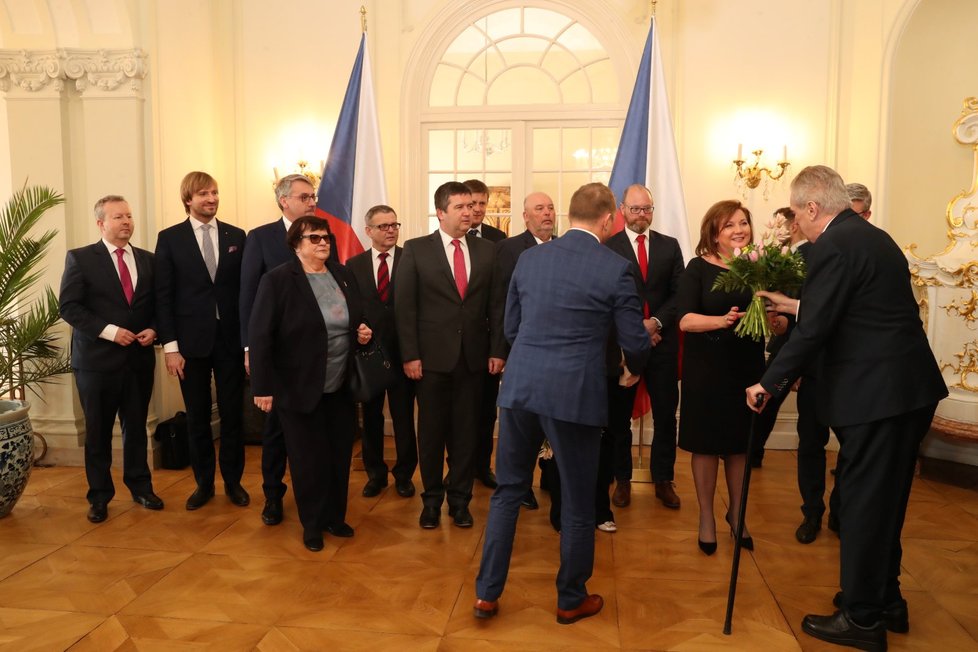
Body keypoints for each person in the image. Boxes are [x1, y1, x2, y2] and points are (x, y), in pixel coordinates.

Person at [747, 165, 947, 651]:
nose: (795, 223)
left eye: (796, 214)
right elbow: (846, 310)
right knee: (886, 505)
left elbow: (817, 329)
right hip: (907, 392)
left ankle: (860, 619)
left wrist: (767, 383)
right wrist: (793, 305)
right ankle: (886, 601)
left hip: (876, 397)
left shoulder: (833, 245)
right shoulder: (873, 237)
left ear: (813, 208)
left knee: (860, 507)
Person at [474, 182, 650, 625]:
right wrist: (637, 363)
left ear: (571, 215)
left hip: (520, 389)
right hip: (574, 394)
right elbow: (633, 339)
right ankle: (571, 597)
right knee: (576, 499)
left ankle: (486, 594)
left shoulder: (530, 258)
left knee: (508, 492)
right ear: (609, 220)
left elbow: (511, 328)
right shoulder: (615, 267)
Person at [249, 216, 372, 552]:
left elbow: (356, 317)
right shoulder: (278, 281)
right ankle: (313, 524)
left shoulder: (342, 275)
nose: (323, 243)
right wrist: (262, 387)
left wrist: (361, 331)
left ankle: (335, 517)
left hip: (340, 386)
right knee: (307, 460)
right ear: (296, 244)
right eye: (314, 238)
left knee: (338, 455)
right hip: (298, 387)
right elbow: (260, 337)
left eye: (326, 237)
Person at [396, 181, 506, 530]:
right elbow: (404, 307)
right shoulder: (416, 249)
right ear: (441, 212)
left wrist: (497, 350)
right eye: (460, 207)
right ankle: (431, 501)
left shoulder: (488, 250)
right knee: (430, 434)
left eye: (471, 206)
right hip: (430, 361)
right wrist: (410, 355)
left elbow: (497, 306)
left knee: (466, 434)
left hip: (474, 360)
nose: (469, 212)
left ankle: (460, 501)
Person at [59, 195, 162, 523]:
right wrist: (108, 331)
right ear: (101, 223)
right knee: (98, 431)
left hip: (138, 360)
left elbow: (160, 305)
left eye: (129, 216)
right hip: (96, 362)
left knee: (136, 427)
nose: (126, 222)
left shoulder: (149, 260)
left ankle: (140, 486)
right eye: (118, 217)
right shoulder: (80, 258)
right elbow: (69, 307)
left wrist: (154, 329)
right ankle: (100, 496)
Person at [155, 171, 249, 511]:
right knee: (196, 417)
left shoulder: (237, 235)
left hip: (231, 342)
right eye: (204, 194)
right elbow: (163, 298)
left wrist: (249, 342)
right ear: (188, 199)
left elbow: (245, 291)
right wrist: (170, 348)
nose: (211, 199)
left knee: (233, 416)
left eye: (214, 192)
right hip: (189, 346)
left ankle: (234, 483)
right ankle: (204, 484)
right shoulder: (170, 239)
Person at [677, 200, 765, 556]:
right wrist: (721, 321)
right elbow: (684, 320)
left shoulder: (757, 269)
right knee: (707, 446)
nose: (739, 229)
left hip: (746, 369)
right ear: (713, 232)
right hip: (706, 369)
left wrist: (776, 321)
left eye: (743, 223)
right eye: (729, 225)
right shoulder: (696, 268)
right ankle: (707, 519)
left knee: (738, 446)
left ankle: (737, 514)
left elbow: (769, 314)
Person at [239, 173, 317, 527]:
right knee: (273, 431)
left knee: (310, 433)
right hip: (275, 353)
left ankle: (312, 497)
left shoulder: (320, 233)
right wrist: (249, 348)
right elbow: (248, 298)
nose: (311, 202)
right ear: (284, 200)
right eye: (304, 196)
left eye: (313, 196)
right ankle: (273, 496)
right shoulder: (260, 238)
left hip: (313, 356)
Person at [605, 184, 684, 510]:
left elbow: (680, 294)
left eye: (647, 209)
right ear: (622, 210)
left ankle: (663, 479)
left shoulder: (669, 245)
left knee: (666, 416)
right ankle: (622, 480)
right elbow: (607, 297)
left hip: (663, 345)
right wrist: (636, 329)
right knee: (618, 417)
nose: (642, 215)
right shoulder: (608, 247)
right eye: (636, 209)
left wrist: (656, 324)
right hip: (624, 347)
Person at [346, 205, 418, 499]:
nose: (391, 230)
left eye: (394, 225)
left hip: (405, 351)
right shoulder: (353, 264)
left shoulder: (411, 259)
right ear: (369, 231)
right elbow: (351, 305)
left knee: (403, 417)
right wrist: (359, 330)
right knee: (372, 417)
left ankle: (404, 474)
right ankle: (375, 474)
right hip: (370, 354)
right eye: (384, 226)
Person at [492, 191, 557, 510]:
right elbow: (503, 303)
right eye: (539, 209)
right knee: (524, 423)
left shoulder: (564, 247)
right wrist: (503, 351)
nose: (547, 214)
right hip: (521, 352)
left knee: (553, 420)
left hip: (558, 354)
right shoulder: (509, 248)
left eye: (550, 208)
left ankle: (549, 476)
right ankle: (521, 485)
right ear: (525, 216)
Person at [464, 178, 506, 490]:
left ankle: (482, 466)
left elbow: (499, 299)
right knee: (458, 416)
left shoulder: (498, 239)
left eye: (482, 203)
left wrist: (498, 348)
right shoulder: (439, 242)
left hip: (486, 344)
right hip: (452, 346)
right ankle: (459, 469)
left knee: (484, 413)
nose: (477, 209)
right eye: (471, 204)